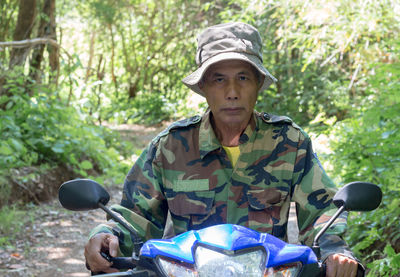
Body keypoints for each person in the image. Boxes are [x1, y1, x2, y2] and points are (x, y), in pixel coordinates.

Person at [85, 22, 361, 276]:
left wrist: (334, 251)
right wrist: (107, 235)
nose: (232, 91)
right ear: (203, 87)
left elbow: (322, 210)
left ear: (258, 85)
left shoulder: (289, 143)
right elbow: (134, 216)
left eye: (243, 78)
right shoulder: (170, 146)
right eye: (219, 79)